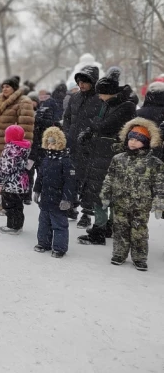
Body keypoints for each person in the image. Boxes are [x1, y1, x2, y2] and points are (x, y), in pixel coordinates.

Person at [77, 71, 136, 243]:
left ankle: (99, 232)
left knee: (103, 193)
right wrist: (90, 131)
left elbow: (104, 125)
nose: (99, 98)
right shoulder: (109, 103)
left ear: (110, 92)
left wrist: (93, 127)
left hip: (111, 154)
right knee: (102, 192)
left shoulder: (126, 106)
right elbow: (99, 123)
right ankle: (107, 227)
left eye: (101, 93)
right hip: (100, 153)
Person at [98, 118, 164, 271]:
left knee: (139, 232)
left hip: (141, 204)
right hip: (120, 202)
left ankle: (139, 257)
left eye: (138, 140)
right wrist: (106, 195)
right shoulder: (118, 159)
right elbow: (110, 178)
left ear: (146, 142)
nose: (133, 142)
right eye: (131, 139)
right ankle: (119, 253)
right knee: (120, 229)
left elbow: (160, 184)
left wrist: (159, 203)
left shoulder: (155, 163)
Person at [0, 76, 35, 214]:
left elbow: (26, 128)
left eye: (7, 86)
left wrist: (22, 148)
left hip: (13, 149)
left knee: (13, 177)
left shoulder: (23, 102)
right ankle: (4, 201)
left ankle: (11, 205)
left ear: (14, 88)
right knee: (1, 176)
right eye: (3, 86)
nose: (4, 89)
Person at [62, 65, 101, 227]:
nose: (81, 85)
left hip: (90, 146)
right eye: (79, 81)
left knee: (88, 181)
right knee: (72, 177)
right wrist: (67, 135)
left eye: (85, 81)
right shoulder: (75, 98)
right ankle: (71, 205)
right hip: (73, 144)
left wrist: (90, 135)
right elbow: (67, 118)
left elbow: (100, 123)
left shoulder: (100, 99)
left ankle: (86, 213)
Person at [33, 127, 76, 258]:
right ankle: (43, 243)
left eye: (53, 143)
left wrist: (67, 199)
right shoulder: (46, 160)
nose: (50, 146)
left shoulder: (66, 161)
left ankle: (59, 248)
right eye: (48, 143)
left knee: (59, 225)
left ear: (60, 143)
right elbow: (40, 176)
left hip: (58, 200)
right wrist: (37, 190)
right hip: (46, 199)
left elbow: (70, 181)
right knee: (44, 223)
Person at [0, 125, 31, 235]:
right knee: (18, 205)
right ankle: (18, 225)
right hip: (21, 182)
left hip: (11, 184)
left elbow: (6, 169)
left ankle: (13, 226)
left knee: (9, 205)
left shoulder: (10, 149)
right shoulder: (24, 148)